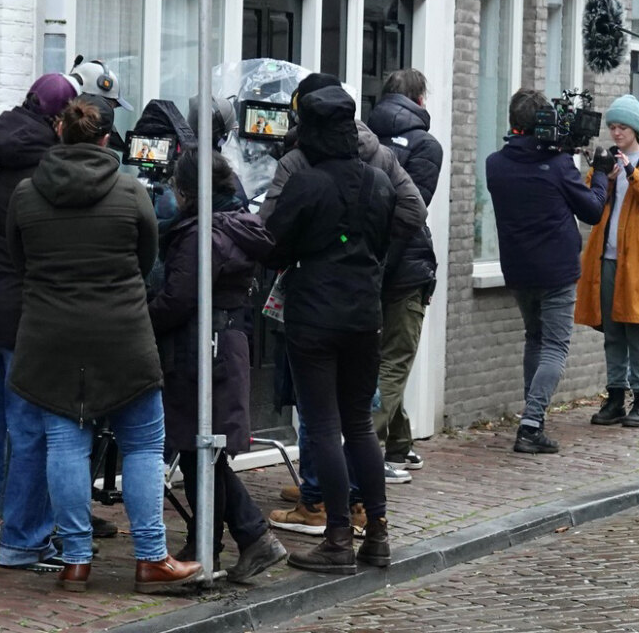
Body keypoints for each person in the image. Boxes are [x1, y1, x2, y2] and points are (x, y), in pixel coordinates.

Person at [6, 95, 202, 592]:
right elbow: (145, 259)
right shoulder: (131, 191)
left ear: (59, 133)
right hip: (122, 335)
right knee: (141, 445)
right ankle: (152, 558)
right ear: (106, 139)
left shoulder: (26, 195)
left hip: (50, 338)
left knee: (65, 445)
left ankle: (74, 559)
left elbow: (18, 261)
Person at [262, 74, 426, 536]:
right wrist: (372, 256)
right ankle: (376, 530)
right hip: (364, 313)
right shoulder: (379, 180)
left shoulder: (304, 180)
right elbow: (405, 218)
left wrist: (307, 248)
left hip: (314, 314)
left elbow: (272, 247)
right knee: (358, 424)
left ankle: (335, 533)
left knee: (321, 424)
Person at [0, 74, 75, 570]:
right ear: (60, 119)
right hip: (21, 312)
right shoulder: (48, 163)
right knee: (30, 431)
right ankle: (24, 541)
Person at [148, 150, 288, 582]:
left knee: (199, 449)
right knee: (201, 450)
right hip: (221, 343)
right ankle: (212, 540)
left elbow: (177, 300)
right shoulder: (232, 226)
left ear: (188, 190)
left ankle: (245, 537)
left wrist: (139, 318)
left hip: (201, 349)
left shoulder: (201, 235)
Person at [485, 88, 609, 455]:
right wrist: (599, 173)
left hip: (518, 270)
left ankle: (532, 416)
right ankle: (531, 423)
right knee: (555, 346)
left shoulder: (495, 164)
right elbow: (592, 211)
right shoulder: (558, 167)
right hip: (556, 271)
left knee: (534, 339)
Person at [575, 94, 639, 429]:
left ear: (636, 129)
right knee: (613, 331)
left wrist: (633, 174)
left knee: (637, 329)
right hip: (607, 259)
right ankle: (615, 397)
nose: (616, 133)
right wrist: (605, 177)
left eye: (622, 127)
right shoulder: (608, 162)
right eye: (612, 127)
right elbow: (591, 204)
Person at [364, 69, 443, 471]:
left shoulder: (365, 138)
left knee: (383, 354)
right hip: (407, 267)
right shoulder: (427, 145)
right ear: (420, 99)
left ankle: (398, 442)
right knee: (395, 358)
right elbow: (414, 208)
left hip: (369, 260)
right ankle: (366, 450)